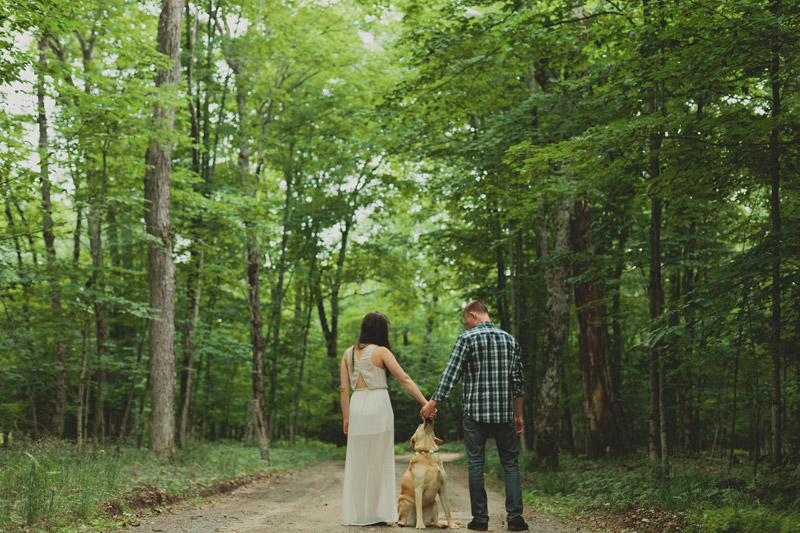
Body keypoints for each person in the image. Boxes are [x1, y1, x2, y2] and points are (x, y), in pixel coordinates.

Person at [421, 301, 528, 532]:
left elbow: (451, 374)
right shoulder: (510, 341)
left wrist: (432, 404)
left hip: (475, 413)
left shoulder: (467, 339)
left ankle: (480, 520)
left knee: (476, 463)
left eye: (466, 321)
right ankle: (515, 519)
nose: (467, 326)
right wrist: (518, 415)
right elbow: (518, 383)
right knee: (510, 464)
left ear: (472, 315)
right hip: (504, 413)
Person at [340, 311, 434, 526]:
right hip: (378, 406)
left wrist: (346, 417)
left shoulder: (347, 354)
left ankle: (357, 514)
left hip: (357, 407)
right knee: (378, 461)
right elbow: (404, 379)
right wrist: (425, 402)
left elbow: (344, 389)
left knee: (357, 462)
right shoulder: (381, 352)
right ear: (380, 330)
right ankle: (376, 513)